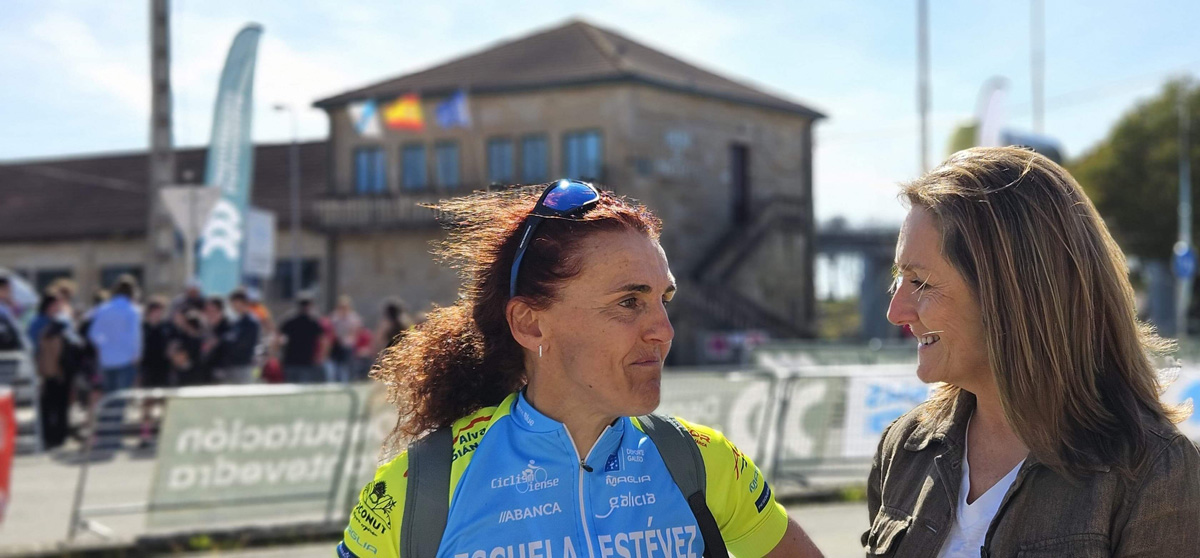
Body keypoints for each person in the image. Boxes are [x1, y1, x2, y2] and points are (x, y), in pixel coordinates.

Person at [337, 180, 823, 558]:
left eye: (664, 300)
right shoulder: (420, 484)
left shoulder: (699, 459)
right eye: (629, 302)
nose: (664, 331)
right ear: (530, 324)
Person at [866, 147, 1200, 557]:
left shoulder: (1152, 471)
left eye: (920, 282)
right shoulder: (904, 448)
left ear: (1011, 293)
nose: (895, 311)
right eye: (899, 278)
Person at [87, 275, 143, 450]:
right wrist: (135, 355)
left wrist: (105, 346)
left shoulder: (103, 309)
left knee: (107, 400)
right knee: (120, 401)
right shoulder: (132, 311)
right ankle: (114, 439)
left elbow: (93, 333)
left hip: (106, 360)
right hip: (125, 361)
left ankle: (105, 437)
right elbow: (135, 336)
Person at [138, 296, 174, 447]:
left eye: (160, 311)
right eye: (155, 311)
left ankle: (166, 433)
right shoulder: (142, 327)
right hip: (147, 369)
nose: (158, 314)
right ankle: (145, 435)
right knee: (147, 403)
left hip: (164, 369)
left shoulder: (167, 327)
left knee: (165, 403)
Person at [279, 295, 326, 384]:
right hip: (307, 361)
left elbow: (279, 338)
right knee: (304, 387)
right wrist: (320, 356)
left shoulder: (290, 321)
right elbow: (323, 340)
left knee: (290, 387)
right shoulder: (313, 322)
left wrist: (278, 352)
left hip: (290, 360)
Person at [223, 289, 261, 384]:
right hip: (233, 365)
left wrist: (228, 343)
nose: (233, 306)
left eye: (235, 303)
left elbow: (242, 343)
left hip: (244, 365)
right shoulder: (237, 321)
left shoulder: (251, 322)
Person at [328, 295, 362, 383]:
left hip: (348, 345)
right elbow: (331, 330)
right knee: (336, 366)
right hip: (337, 345)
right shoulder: (334, 318)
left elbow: (355, 331)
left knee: (349, 365)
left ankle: (349, 380)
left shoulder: (353, 318)